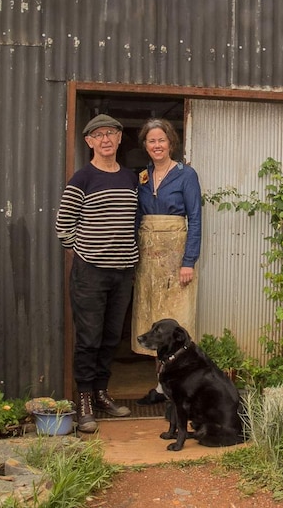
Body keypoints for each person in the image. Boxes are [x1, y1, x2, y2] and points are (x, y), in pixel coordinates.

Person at [55, 113, 138, 431]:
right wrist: (86, 251)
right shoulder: (82, 179)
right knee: (88, 338)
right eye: (98, 134)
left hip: (123, 271)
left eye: (111, 133)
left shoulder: (130, 178)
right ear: (89, 142)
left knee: (110, 337)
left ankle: (103, 392)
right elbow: (63, 226)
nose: (106, 139)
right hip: (90, 272)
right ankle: (85, 400)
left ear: (119, 139)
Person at [131, 118, 202, 404]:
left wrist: (189, 261)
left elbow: (195, 218)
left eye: (161, 140)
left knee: (177, 321)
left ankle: (181, 387)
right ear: (145, 146)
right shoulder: (142, 177)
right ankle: (160, 387)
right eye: (151, 141)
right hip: (149, 257)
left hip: (176, 255)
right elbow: (136, 217)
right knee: (153, 322)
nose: (157, 145)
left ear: (171, 143)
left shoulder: (187, 175)